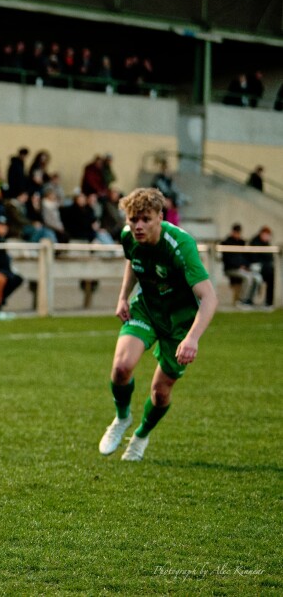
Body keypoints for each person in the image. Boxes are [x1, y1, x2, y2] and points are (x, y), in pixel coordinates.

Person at [98, 188, 217, 462]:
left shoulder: (180, 245)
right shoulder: (128, 237)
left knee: (160, 393)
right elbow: (133, 262)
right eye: (133, 219)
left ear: (160, 217)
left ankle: (140, 436)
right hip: (148, 309)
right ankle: (121, 418)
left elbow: (209, 298)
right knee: (120, 368)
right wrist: (123, 297)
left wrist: (192, 338)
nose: (138, 226)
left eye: (145, 219)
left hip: (179, 323)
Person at [221, 223, 261, 307]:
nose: (238, 234)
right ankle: (242, 301)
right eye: (236, 232)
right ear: (232, 232)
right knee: (247, 277)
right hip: (231, 269)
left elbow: (247, 258)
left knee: (256, 277)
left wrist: (246, 266)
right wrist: (239, 266)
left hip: (242, 269)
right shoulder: (226, 243)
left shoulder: (241, 243)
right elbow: (228, 259)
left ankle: (249, 300)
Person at [249, 226, 275, 308]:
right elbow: (254, 258)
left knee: (271, 274)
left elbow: (270, 257)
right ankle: (250, 300)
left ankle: (269, 302)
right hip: (255, 268)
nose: (267, 237)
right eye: (266, 235)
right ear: (261, 234)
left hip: (265, 269)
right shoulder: (255, 242)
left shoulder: (267, 244)